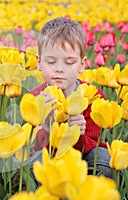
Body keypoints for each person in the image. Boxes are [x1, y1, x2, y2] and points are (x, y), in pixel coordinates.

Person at [28, 17, 113, 183]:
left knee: (104, 160)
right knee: (33, 164)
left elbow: (89, 147)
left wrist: (77, 134)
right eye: (51, 61)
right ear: (39, 62)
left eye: (69, 62)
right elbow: (31, 150)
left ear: (82, 65)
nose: (59, 68)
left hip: (83, 159)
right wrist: (46, 129)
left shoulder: (93, 97)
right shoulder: (34, 99)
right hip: (48, 160)